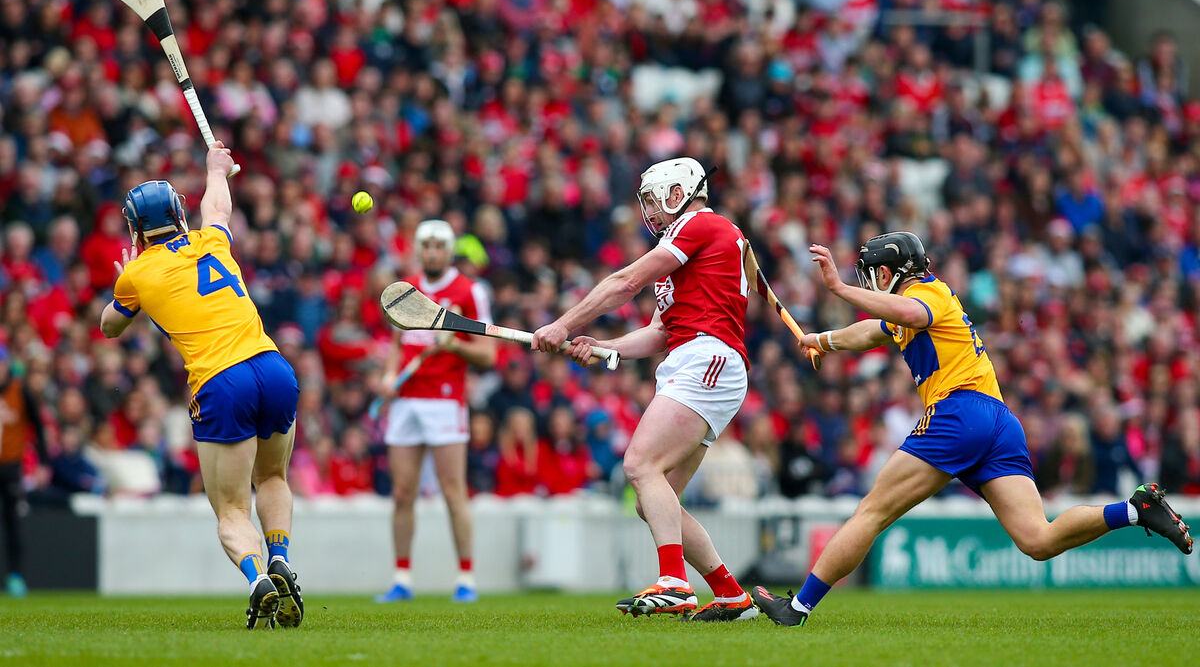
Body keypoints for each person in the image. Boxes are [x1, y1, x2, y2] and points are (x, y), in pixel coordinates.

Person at [754, 232, 1194, 626]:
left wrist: (839, 288)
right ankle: (1136, 511)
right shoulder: (910, 311)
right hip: (999, 422)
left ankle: (797, 609)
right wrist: (823, 340)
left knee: (871, 512)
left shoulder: (929, 293)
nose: (869, 283)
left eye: (871, 276)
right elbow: (872, 331)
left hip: (958, 413)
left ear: (887, 272)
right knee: (1037, 539)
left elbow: (906, 311)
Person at [533, 157, 758, 622]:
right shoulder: (689, 249)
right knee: (655, 500)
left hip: (705, 358)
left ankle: (674, 582)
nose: (649, 211)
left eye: (654, 200)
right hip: (701, 359)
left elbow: (624, 281)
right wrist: (602, 345)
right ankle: (732, 596)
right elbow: (661, 332)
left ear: (679, 194)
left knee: (639, 464)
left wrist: (563, 323)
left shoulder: (699, 225)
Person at [99, 143, 303, 630]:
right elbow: (219, 204)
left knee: (230, 508)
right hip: (273, 366)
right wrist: (216, 168)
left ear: (135, 229)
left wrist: (124, 284)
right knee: (273, 478)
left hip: (221, 380)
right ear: (178, 213)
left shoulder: (139, 275)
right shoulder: (212, 241)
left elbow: (109, 327)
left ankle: (258, 580)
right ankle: (280, 557)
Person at [375, 220, 496, 604]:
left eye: (438, 246)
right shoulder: (405, 290)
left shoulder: (469, 291)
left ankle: (466, 578)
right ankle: (402, 578)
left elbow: (488, 355)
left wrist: (453, 346)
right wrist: (389, 374)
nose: (431, 252)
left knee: (452, 491)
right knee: (402, 492)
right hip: (407, 399)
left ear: (449, 250)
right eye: (425, 245)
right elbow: (398, 341)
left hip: (445, 400)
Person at [0, 345, 49, 598]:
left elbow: (38, 426)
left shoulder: (20, 391)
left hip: (9, 466)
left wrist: (43, 462)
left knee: (12, 523)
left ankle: (15, 576)